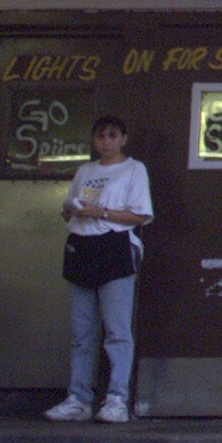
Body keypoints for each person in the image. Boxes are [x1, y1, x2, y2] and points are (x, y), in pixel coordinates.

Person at [43, 116, 153, 425]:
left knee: (117, 330)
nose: (106, 141)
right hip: (81, 243)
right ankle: (79, 397)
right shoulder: (85, 171)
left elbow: (140, 215)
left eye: (112, 136)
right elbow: (69, 208)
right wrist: (71, 210)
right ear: (93, 141)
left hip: (114, 245)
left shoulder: (134, 169)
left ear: (123, 139)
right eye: (101, 136)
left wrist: (101, 212)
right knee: (82, 332)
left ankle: (117, 397)